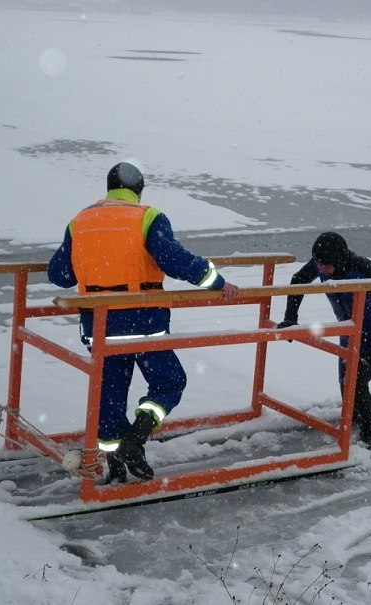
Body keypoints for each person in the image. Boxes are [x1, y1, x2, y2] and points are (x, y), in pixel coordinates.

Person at [48, 161, 239, 484]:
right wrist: (215, 280)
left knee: (109, 395)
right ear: (138, 191)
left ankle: (114, 464)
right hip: (143, 323)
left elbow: (60, 275)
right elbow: (175, 261)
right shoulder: (148, 217)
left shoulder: (78, 221)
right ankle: (135, 441)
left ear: (109, 187)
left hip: (99, 327)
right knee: (169, 382)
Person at [276, 231, 371, 450]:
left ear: (339, 261)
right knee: (353, 408)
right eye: (318, 264)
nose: (321, 270)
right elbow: (298, 280)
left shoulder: (363, 269)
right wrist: (290, 319)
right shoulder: (321, 263)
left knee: (357, 379)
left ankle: (370, 441)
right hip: (350, 335)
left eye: (326, 266)